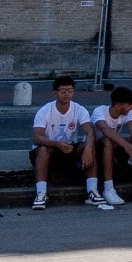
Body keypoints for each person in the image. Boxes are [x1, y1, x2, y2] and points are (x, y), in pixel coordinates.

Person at [31, 75, 108, 211]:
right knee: (43, 149)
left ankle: (92, 190)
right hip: (50, 149)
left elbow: (89, 132)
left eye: (70, 91)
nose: (66, 94)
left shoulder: (79, 109)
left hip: (69, 149)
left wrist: (89, 148)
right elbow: (36, 138)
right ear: (55, 92)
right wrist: (57, 144)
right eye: (63, 91)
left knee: (88, 147)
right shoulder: (44, 111)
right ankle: (41, 193)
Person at [91, 87, 132, 206]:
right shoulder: (100, 111)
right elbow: (106, 130)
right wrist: (127, 146)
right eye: (130, 105)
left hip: (115, 149)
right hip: (96, 150)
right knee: (107, 141)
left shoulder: (127, 113)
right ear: (118, 105)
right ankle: (108, 188)